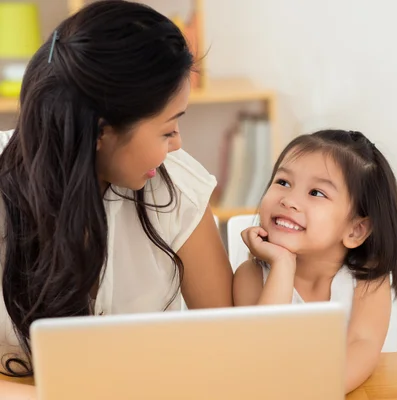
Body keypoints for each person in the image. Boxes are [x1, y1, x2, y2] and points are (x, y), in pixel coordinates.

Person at [0, 0, 232, 378]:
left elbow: (229, 347)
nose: (177, 144)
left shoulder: (178, 189)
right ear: (100, 131)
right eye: (166, 129)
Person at [232, 129, 397, 393]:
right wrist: (281, 264)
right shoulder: (251, 275)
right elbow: (261, 355)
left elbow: (363, 347)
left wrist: (315, 392)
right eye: (283, 182)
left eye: (316, 193)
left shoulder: (366, 280)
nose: (289, 200)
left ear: (355, 230)